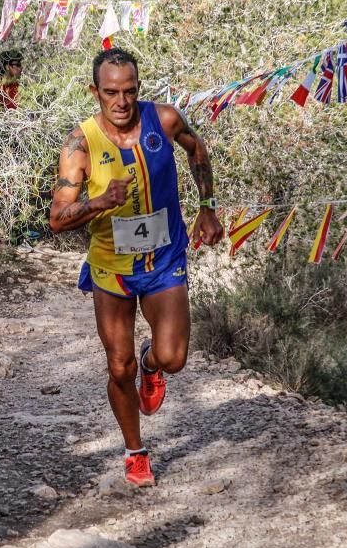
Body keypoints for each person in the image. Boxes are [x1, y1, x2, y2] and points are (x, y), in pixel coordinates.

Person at [49, 48, 224, 487]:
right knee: (118, 364)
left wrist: (207, 208)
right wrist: (100, 202)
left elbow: (197, 148)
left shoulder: (164, 120)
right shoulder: (80, 145)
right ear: (95, 92)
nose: (121, 102)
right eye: (111, 93)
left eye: (128, 91)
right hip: (112, 266)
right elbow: (56, 218)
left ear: (138, 89)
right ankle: (135, 452)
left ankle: (153, 364)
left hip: (164, 257)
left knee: (174, 357)